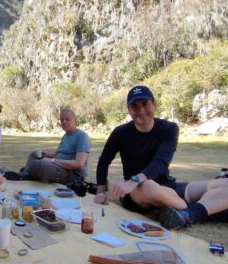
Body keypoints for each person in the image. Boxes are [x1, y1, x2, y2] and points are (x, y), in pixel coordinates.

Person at [94, 85, 228, 229]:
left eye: (145, 104)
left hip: (167, 187)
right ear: (129, 109)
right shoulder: (120, 133)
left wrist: (133, 180)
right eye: (135, 106)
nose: (141, 111)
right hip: (138, 193)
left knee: (225, 183)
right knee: (149, 185)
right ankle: (192, 207)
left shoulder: (168, 129)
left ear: (154, 103)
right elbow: (104, 161)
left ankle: (188, 213)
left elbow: (161, 162)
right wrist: (101, 192)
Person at [5, 108, 91, 184]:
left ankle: (28, 173)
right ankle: (27, 173)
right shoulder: (66, 136)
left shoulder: (82, 136)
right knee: (34, 155)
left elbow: (79, 164)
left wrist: (53, 161)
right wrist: (45, 154)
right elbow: (57, 154)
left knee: (39, 165)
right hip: (58, 166)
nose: (64, 122)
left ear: (75, 121)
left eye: (67, 119)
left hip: (72, 174)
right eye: (62, 120)